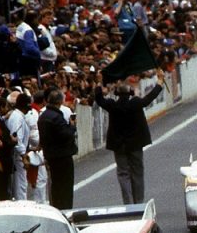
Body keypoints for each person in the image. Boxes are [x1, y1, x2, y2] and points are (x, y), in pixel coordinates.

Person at [93, 73, 164, 204]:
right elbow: (149, 98)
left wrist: (98, 83)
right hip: (135, 144)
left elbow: (99, 99)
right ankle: (139, 201)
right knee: (137, 172)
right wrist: (159, 82)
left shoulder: (113, 105)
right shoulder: (135, 103)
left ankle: (128, 202)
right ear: (130, 92)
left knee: (123, 173)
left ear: (117, 94)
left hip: (119, 145)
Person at [38, 88, 77, 209]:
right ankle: (65, 209)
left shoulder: (43, 116)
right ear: (60, 101)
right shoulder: (56, 117)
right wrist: (71, 126)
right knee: (65, 186)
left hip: (50, 155)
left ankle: (57, 208)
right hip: (62, 155)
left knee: (55, 185)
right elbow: (66, 134)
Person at [6, 90, 31, 200]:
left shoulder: (19, 116)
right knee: (20, 185)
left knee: (22, 183)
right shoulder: (17, 117)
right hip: (18, 156)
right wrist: (23, 156)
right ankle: (21, 204)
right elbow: (17, 139)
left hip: (20, 155)